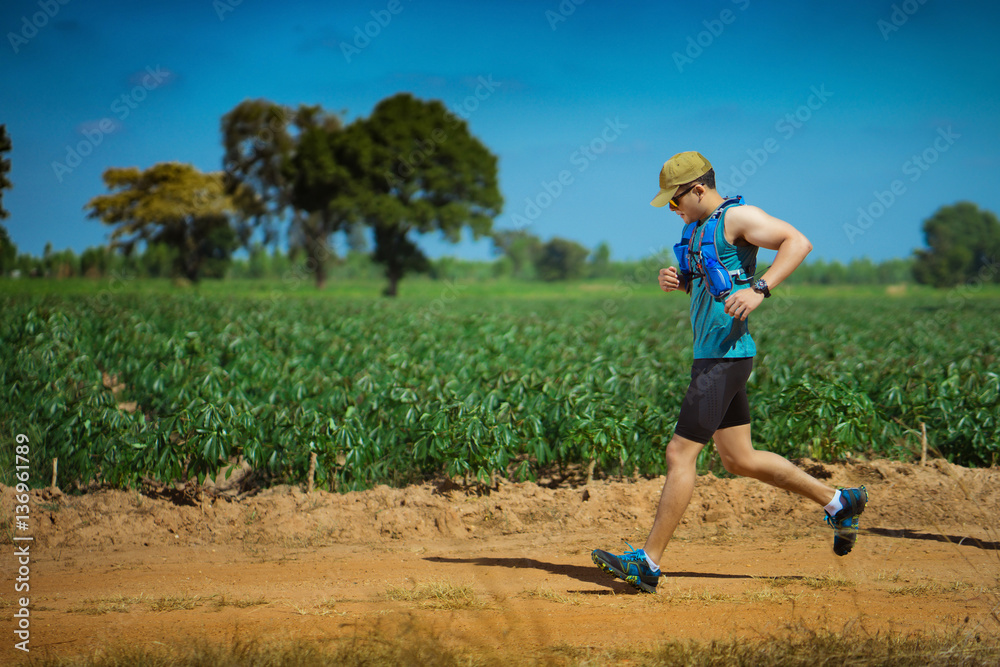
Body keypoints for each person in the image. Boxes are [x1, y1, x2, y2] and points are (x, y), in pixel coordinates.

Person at [591, 151, 868, 594]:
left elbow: (798, 242)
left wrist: (761, 290)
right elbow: (715, 281)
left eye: (675, 199)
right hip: (713, 355)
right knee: (739, 459)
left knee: (679, 454)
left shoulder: (738, 216)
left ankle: (648, 563)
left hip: (726, 357)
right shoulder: (694, 228)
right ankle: (840, 502)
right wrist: (681, 282)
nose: (672, 209)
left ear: (698, 188)